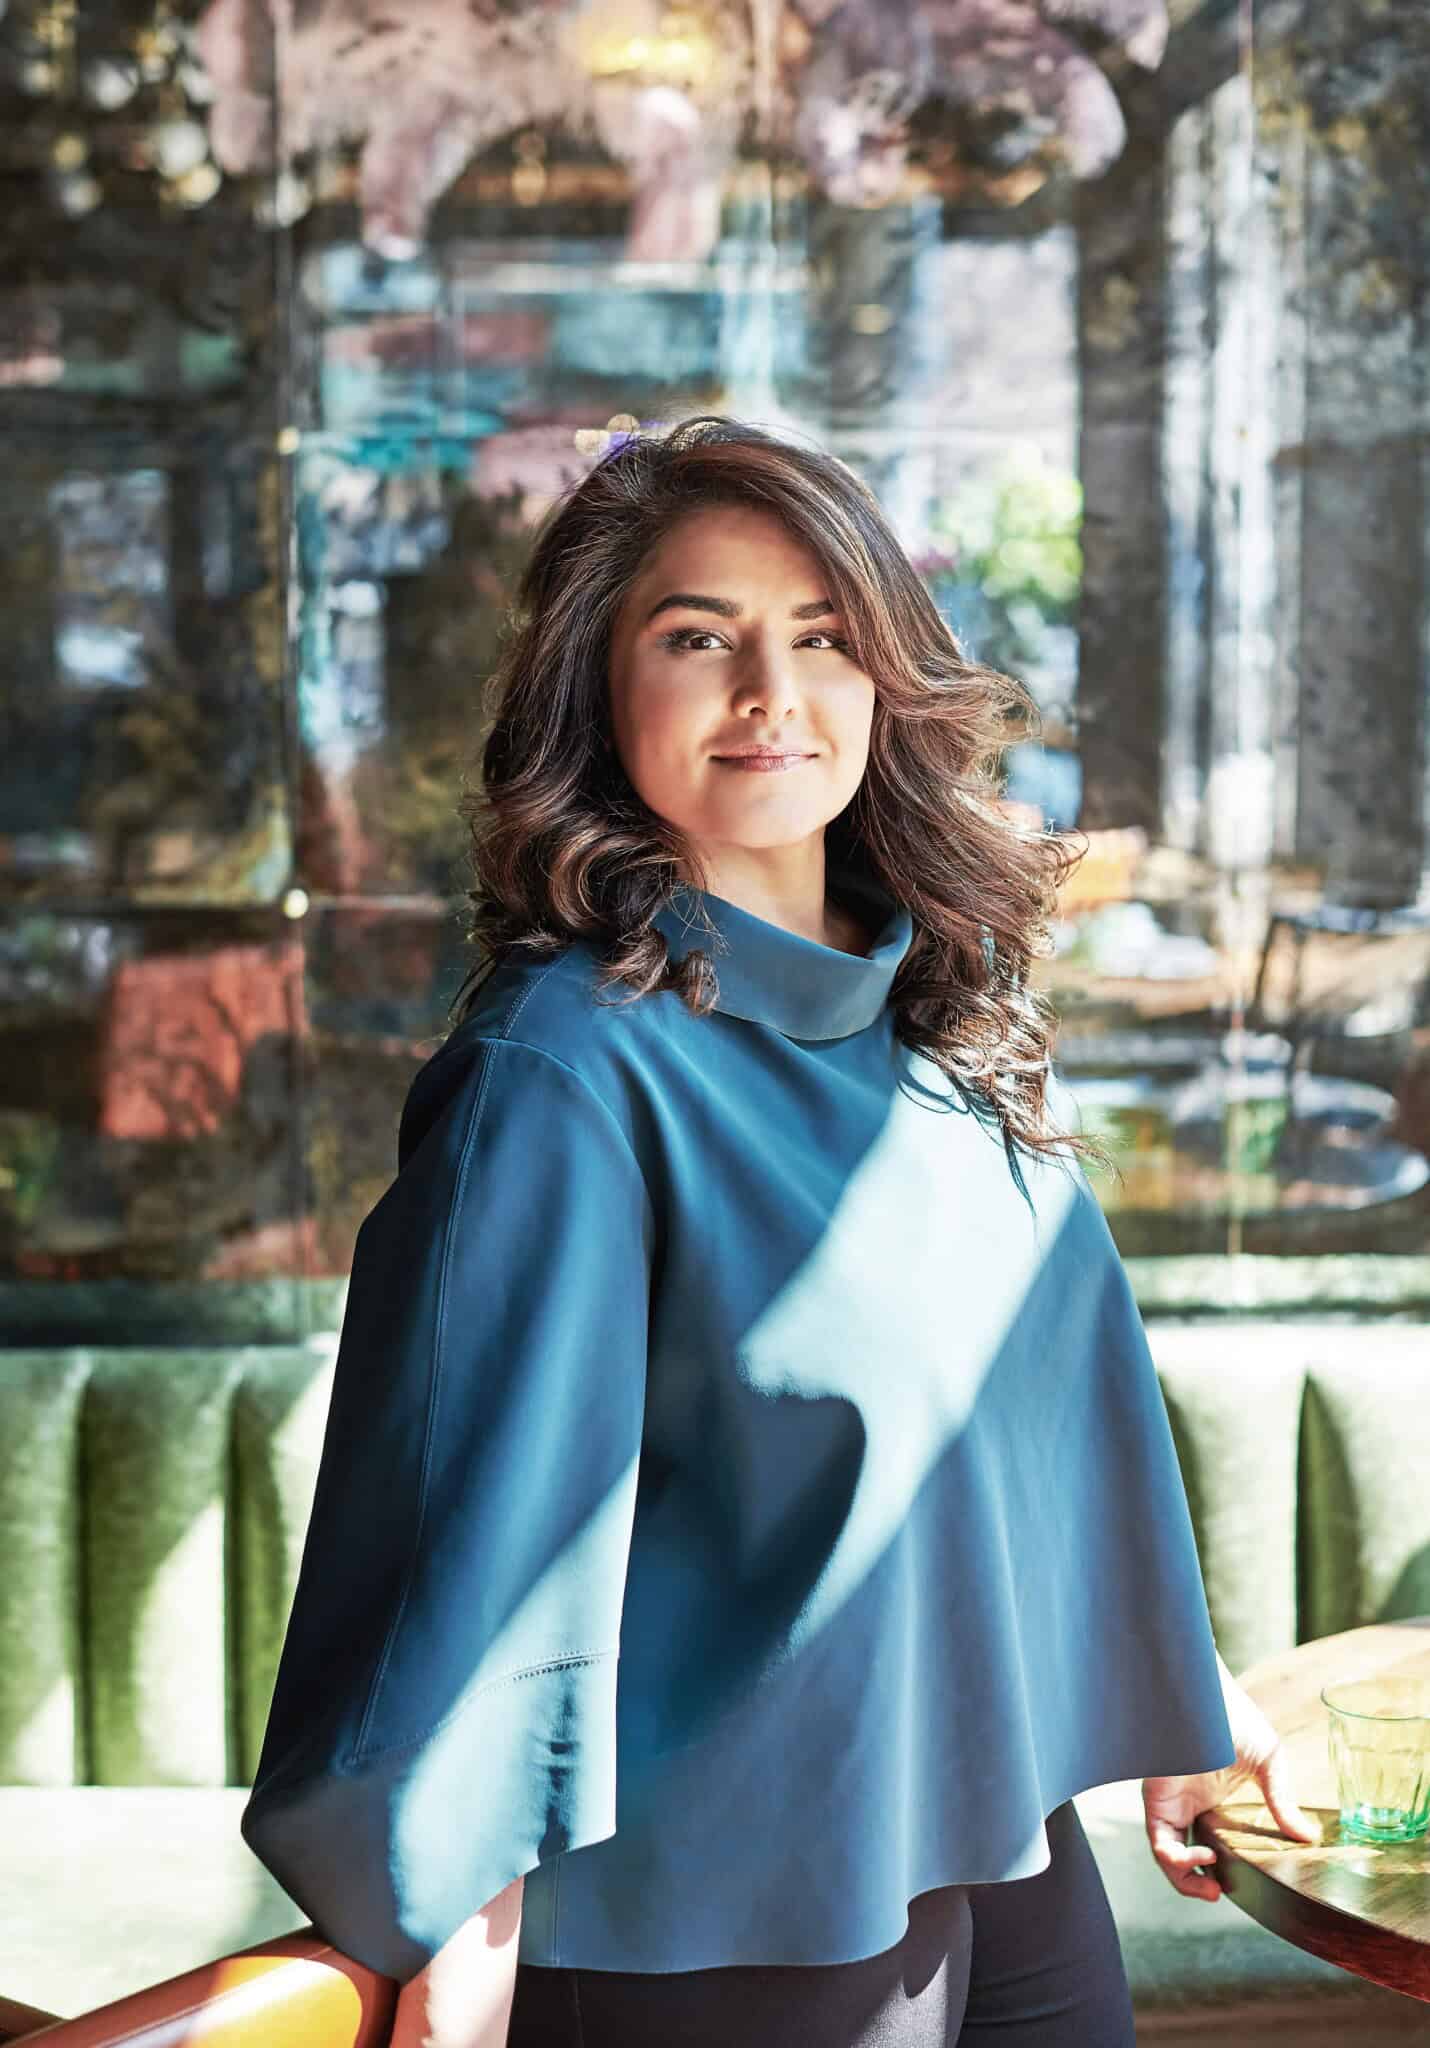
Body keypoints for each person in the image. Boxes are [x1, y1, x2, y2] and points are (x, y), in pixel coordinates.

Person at [240, 416, 1320, 2047]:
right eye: (698, 638)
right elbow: (472, 1531)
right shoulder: (561, 1073)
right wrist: (452, 1944)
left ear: (885, 677)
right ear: (598, 690)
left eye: (821, 636)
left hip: (992, 1828)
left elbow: (1013, 1409)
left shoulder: (937, 1013)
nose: (769, 693)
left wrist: (1173, 1685)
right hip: (718, 1904)